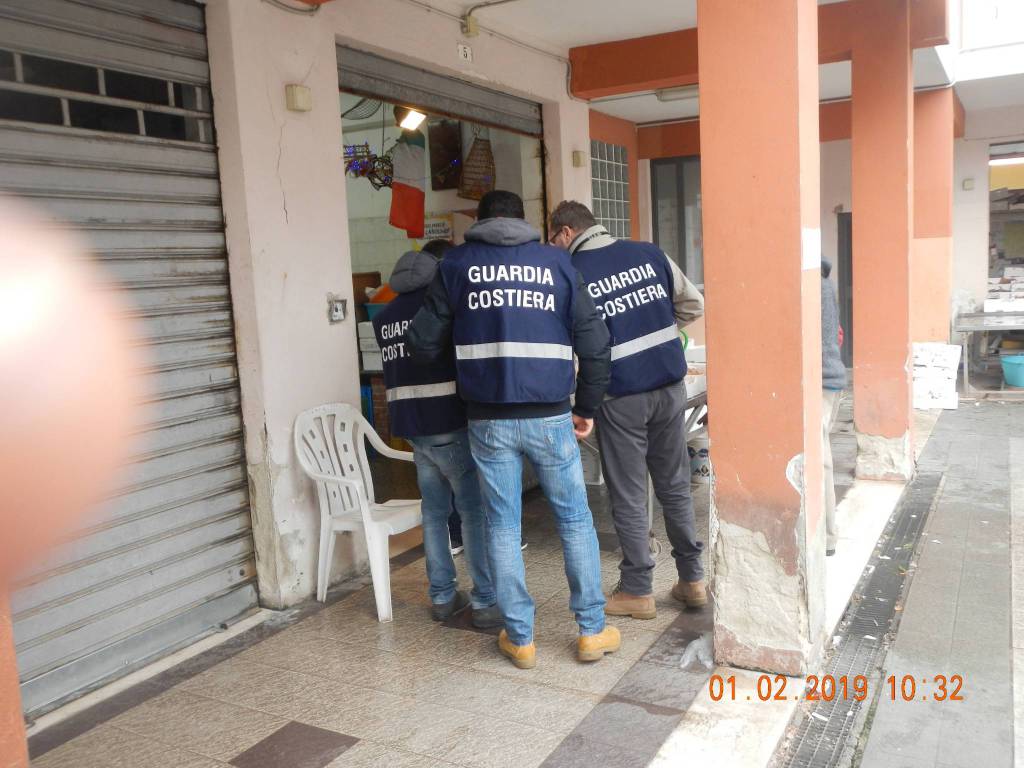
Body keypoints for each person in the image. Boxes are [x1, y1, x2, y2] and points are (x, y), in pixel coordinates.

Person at [408, 190, 619, 669]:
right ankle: (590, 631)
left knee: (502, 524)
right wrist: (585, 405)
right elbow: (596, 342)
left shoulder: (456, 265)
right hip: (550, 415)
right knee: (574, 519)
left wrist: (467, 354)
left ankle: (520, 637)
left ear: (479, 223)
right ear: (524, 223)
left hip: (487, 420)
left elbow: (421, 346)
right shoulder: (557, 263)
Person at [549, 201, 706, 620]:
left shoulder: (571, 273)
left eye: (554, 239)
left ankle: (638, 589)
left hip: (620, 396)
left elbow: (572, 341)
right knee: (675, 484)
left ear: (566, 233)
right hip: (670, 386)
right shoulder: (650, 253)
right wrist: (655, 334)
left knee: (630, 492)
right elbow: (693, 305)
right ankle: (692, 580)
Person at [371, 239, 501, 627]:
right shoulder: (440, 310)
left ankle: (443, 597)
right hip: (449, 422)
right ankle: (484, 600)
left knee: (433, 513)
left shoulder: (383, 318)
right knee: (473, 513)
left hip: (411, 428)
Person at [821, 259, 846, 556]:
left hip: (819, 381)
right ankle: (826, 534)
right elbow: (837, 334)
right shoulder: (823, 280)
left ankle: (826, 537)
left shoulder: (810, 283)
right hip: (830, 378)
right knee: (821, 456)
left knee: (818, 460)